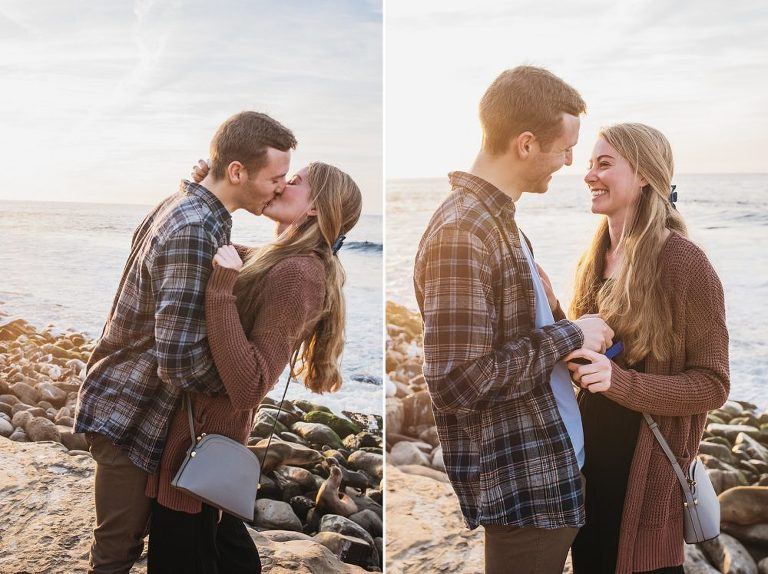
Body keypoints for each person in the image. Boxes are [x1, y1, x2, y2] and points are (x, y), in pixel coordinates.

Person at [73, 111, 297, 574]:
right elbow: (177, 360)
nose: (279, 187)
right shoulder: (197, 228)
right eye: (275, 178)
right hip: (129, 409)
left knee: (126, 543)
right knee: (117, 550)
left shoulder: (192, 208)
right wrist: (242, 389)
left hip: (133, 403)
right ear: (237, 171)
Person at [413, 65, 614, 574]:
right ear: (525, 144)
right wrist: (570, 332)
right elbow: (458, 381)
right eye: (565, 147)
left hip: (552, 468)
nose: (571, 161)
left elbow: (519, 343)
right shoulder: (462, 231)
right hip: (525, 486)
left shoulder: (500, 223)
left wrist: (567, 330)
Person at [144, 160, 362, 572]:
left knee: (188, 555)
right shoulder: (275, 257)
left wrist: (222, 290)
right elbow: (203, 243)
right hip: (201, 434)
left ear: (316, 206)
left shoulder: (299, 274)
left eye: (292, 181)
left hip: (205, 441)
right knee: (217, 549)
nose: (279, 185)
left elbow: (251, 386)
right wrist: (205, 186)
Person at [562, 123, 729, 574]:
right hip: (588, 463)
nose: (589, 175)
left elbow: (713, 384)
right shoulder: (594, 257)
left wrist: (622, 384)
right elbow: (595, 354)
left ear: (644, 175)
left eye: (604, 163)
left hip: (646, 472)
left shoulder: (683, 262)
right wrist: (556, 315)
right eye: (589, 164)